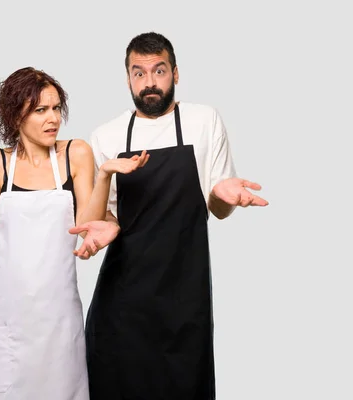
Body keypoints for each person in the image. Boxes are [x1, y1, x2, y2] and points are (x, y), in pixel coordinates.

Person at [0, 66, 148, 400]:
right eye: (40, 110)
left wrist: (104, 175)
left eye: (56, 108)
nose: (53, 119)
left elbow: (85, 225)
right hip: (10, 320)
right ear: (15, 114)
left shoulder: (75, 154)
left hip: (59, 320)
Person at [70, 32, 269, 399]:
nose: (149, 82)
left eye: (159, 71)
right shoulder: (107, 135)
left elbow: (218, 210)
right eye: (139, 73)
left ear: (175, 74)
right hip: (123, 304)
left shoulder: (203, 121)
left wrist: (222, 195)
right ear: (128, 78)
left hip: (185, 302)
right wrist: (105, 229)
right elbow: (109, 217)